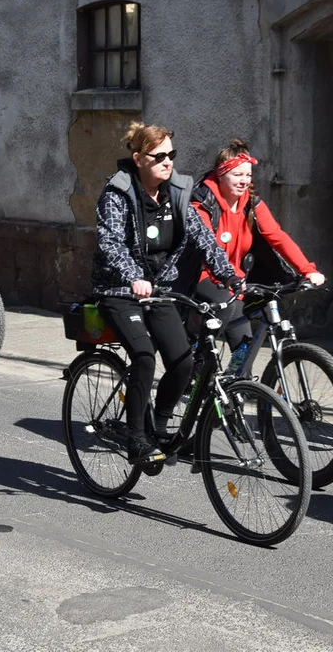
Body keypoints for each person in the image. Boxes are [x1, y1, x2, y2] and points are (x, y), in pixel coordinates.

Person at [92, 121, 242, 464]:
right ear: (139, 158)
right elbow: (110, 243)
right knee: (144, 357)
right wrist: (132, 277)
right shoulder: (117, 193)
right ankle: (136, 438)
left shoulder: (176, 194)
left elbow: (204, 238)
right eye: (159, 156)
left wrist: (231, 277)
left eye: (171, 154)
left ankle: (158, 425)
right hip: (119, 290)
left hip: (159, 291)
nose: (168, 161)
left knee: (183, 360)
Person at [185, 138, 325, 367]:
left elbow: (278, 237)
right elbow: (206, 247)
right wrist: (230, 278)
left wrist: (307, 270)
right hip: (203, 276)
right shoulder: (202, 204)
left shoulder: (252, 204)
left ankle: (237, 390)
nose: (244, 181)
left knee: (245, 352)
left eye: (248, 175)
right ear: (220, 175)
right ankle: (194, 363)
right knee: (226, 308)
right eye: (237, 175)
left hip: (236, 281)